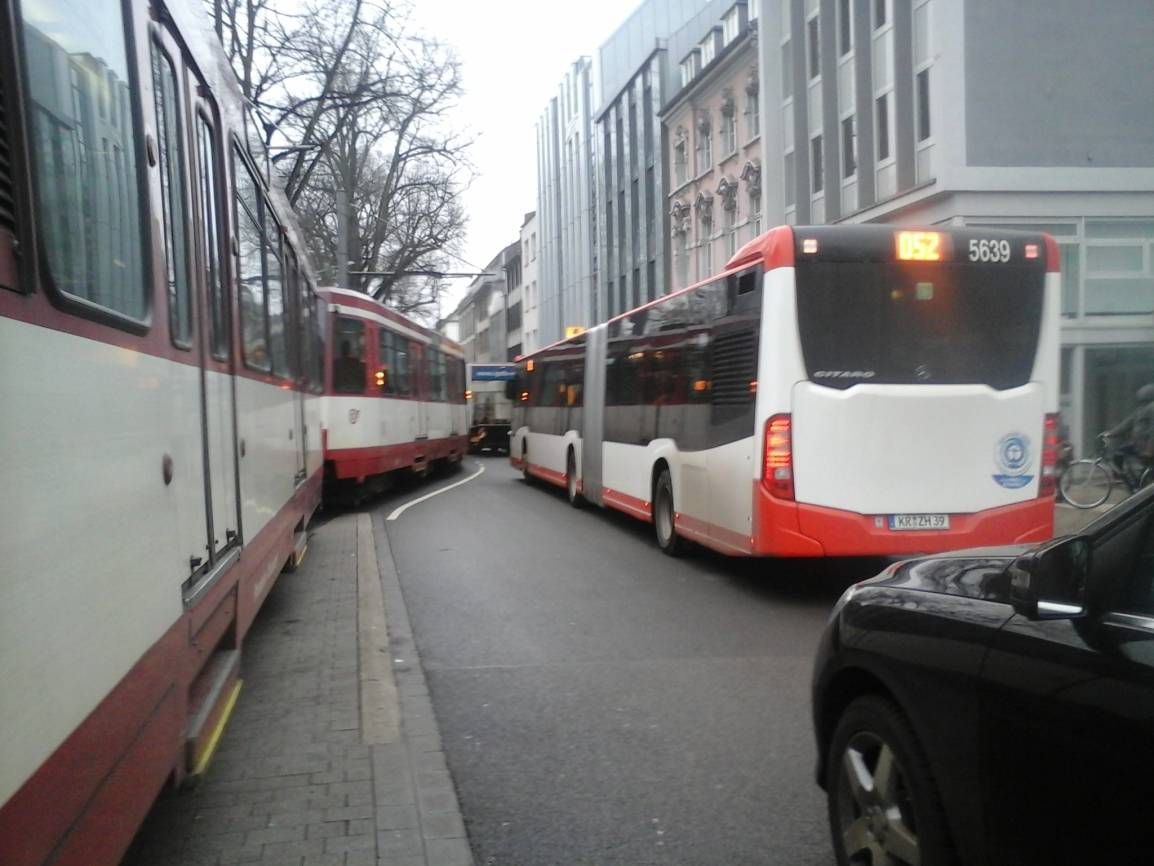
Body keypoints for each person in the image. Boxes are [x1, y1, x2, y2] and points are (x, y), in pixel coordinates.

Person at [1104, 384, 1154, 472]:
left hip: (1147, 446)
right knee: (1118, 454)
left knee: (1148, 468)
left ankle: (1141, 483)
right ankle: (1127, 479)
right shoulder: (1140, 410)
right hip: (1138, 444)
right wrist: (1111, 433)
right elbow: (1126, 424)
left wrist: (1150, 448)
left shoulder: (1152, 408)